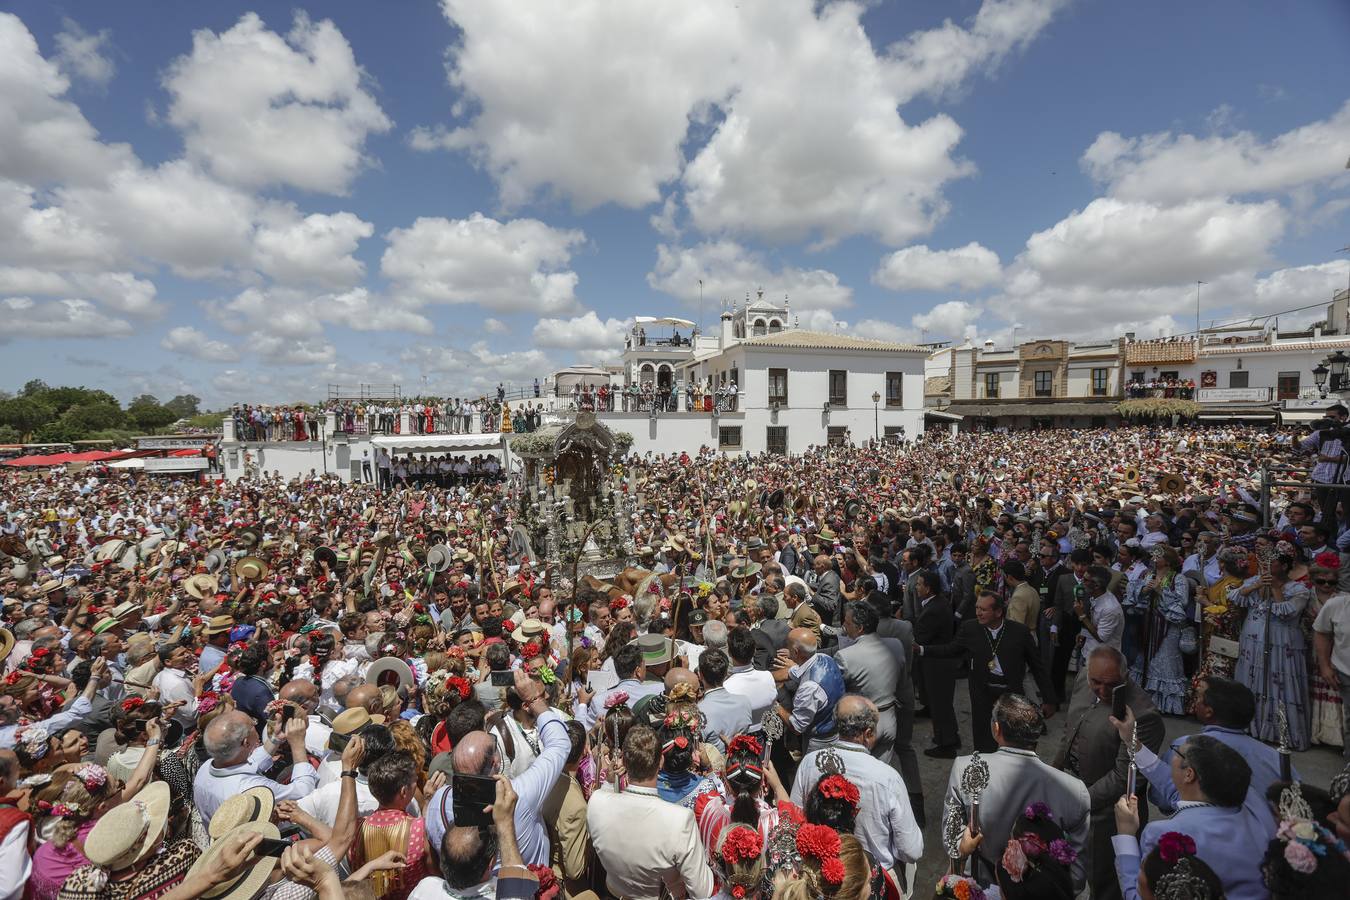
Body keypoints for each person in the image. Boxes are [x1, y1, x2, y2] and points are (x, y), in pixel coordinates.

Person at [945, 694, 1089, 892]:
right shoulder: (1074, 791)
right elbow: (1077, 876)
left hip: (982, 888)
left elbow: (952, 839)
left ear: (996, 729)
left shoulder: (965, 768)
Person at [1054, 646, 1165, 900]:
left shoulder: (1144, 715)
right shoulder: (1084, 677)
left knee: (1103, 884)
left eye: (1111, 685)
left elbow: (1124, 777)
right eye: (1096, 682)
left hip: (1107, 816)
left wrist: (1077, 802)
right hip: (1074, 793)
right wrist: (1051, 776)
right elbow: (1069, 732)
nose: (1102, 691)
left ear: (1126, 677)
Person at [1113, 735, 1270, 900]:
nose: (1171, 756)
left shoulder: (1164, 833)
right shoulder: (1251, 805)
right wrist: (1135, 746)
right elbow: (1176, 788)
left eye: (1176, 752)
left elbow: (1141, 895)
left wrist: (1126, 833)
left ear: (1189, 774)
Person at [790, 695, 924, 879]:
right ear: (868, 733)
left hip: (818, 872)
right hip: (870, 878)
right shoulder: (887, 778)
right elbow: (911, 850)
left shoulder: (809, 762)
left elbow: (794, 819)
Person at [917, 590, 1055, 753]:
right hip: (982, 692)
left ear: (998, 612)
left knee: (1011, 740)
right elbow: (951, 649)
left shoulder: (1019, 632)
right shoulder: (970, 628)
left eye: (983, 609)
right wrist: (922, 650)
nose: (978, 613)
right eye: (977, 608)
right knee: (983, 740)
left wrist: (1049, 698)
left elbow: (1038, 667)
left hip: (1009, 694)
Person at [587, 724, 714, 899]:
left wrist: (609, 782)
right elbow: (702, 891)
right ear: (661, 761)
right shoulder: (680, 820)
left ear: (623, 760)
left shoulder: (597, 801)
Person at [1228, 542, 1311, 749]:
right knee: (1252, 678)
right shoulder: (1256, 581)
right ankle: (1251, 725)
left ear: (1283, 566)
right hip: (1253, 638)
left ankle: (1279, 730)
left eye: (1271, 563)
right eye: (1263, 562)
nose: (1266, 566)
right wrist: (1256, 586)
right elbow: (1234, 596)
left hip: (1281, 642)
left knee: (1278, 680)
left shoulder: (1298, 589)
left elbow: (1286, 612)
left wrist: (1275, 588)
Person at [834, 601, 903, 765]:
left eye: (848, 622)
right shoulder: (896, 645)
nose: (844, 625)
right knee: (881, 770)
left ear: (860, 628)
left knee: (856, 774)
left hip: (861, 725)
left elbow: (836, 692)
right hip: (890, 718)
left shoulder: (845, 656)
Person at [911, 570, 960, 758]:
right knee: (941, 702)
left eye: (919, 584)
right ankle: (950, 736)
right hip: (939, 661)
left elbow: (921, 637)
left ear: (928, 588)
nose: (916, 587)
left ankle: (946, 744)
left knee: (940, 704)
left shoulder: (934, 609)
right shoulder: (937, 603)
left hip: (937, 662)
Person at [775, 628, 845, 753]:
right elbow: (792, 672)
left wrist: (775, 705)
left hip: (819, 743)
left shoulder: (810, 687)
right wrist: (764, 677)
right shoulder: (823, 658)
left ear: (796, 652)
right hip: (834, 729)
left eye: (788, 645)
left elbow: (797, 727)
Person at [1313, 570, 1350, 756]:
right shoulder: (1337, 605)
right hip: (1346, 673)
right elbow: (1322, 633)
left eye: (1331, 582)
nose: (1326, 585)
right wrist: (1325, 666)